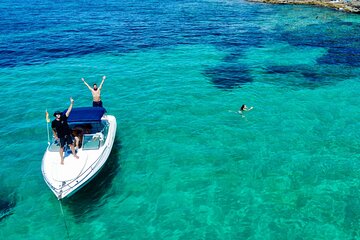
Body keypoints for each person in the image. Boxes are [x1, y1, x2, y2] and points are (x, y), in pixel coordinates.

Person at [52, 97, 79, 165]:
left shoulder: (64, 117)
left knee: (71, 145)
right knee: (61, 147)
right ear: (55, 116)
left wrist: (72, 103)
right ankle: (62, 159)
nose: (58, 115)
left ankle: (74, 155)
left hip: (68, 134)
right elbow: (53, 129)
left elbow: (68, 111)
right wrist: (55, 136)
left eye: (59, 114)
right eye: (57, 114)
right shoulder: (54, 122)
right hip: (61, 136)